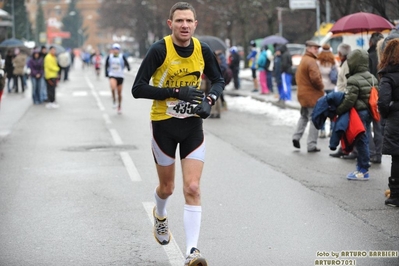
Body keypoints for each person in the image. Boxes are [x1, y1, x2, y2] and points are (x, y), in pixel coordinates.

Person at [131, 2, 224, 265]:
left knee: (193, 187)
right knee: (167, 187)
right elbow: (138, 89)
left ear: (196, 24)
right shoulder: (159, 50)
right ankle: (160, 217)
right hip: (164, 124)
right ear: (170, 24)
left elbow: (218, 80)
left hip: (192, 125)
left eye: (189, 21)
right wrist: (175, 92)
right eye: (179, 21)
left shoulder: (202, 50)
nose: (185, 25)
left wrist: (209, 100)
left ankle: (192, 251)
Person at [336, 49, 378, 180]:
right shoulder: (372, 77)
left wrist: (339, 110)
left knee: (360, 141)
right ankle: (361, 167)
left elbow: (349, 100)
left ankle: (363, 169)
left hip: (359, 113)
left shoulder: (353, 80)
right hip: (369, 112)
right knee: (364, 138)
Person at [377, 38, 399, 206]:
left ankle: (395, 194)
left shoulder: (388, 76)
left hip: (395, 120)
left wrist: (388, 112)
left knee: (397, 158)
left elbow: (383, 102)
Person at [292, 40, 324, 152]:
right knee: (314, 119)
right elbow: (315, 79)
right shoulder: (311, 61)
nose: (317, 50)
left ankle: (296, 136)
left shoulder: (303, 60)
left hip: (302, 94)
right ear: (309, 48)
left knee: (304, 116)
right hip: (311, 95)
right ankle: (311, 144)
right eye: (315, 48)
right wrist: (321, 87)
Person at [329, 43, 352, 158]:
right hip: (343, 96)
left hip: (345, 97)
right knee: (343, 124)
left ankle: (345, 149)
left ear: (340, 54)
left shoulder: (347, 64)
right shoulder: (345, 63)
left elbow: (347, 83)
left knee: (344, 124)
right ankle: (343, 148)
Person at [368, 32, 384, 164]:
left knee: (372, 124)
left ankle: (374, 153)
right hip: (384, 93)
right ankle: (378, 152)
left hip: (372, 93)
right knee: (379, 125)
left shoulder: (370, 56)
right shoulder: (386, 58)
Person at [317, 43, 338, 138]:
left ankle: (321, 130)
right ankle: (332, 130)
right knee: (332, 109)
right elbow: (338, 72)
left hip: (321, 88)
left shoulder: (318, 61)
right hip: (331, 87)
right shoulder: (333, 61)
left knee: (322, 109)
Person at [105, 43, 130, 114]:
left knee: (119, 93)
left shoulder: (122, 56)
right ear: (112, 50)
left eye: (117, 49)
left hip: (120, 76)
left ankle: (119, 106)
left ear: (119, 50)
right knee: (113, 88)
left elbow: (126, 63)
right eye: (114, 49)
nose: (115, 51)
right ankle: (113, 99)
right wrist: (106, 73)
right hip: (112, 75)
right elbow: (106, 65)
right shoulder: (110, 57)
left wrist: (128, 67)